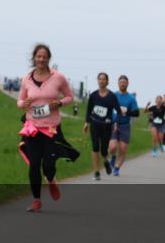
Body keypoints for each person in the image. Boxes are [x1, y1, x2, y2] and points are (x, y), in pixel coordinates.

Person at [17, 44, 75, 212]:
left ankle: (50, 179)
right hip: (32, 128)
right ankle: (36, 200)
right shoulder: (26, 79)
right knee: (34, 164)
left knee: (48, 165)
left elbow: (70, 97)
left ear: (49, 58)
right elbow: (19, 101)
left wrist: (60, 102)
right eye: (38, 56)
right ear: (34, 58)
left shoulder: (58, 78)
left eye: (44, 57)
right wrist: (24, 103)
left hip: (51, 128)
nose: (41, 59)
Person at [83, 71, 119, 180]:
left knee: (104, 150)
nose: (101, 81)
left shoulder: (112, 96)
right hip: (95, 124)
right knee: (95, 147)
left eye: (104, 79)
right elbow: (89, 110)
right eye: (100, 79)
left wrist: (116, 122)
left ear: (107, 82)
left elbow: (117, 110)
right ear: (97, 81)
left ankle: (106, 161)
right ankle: (96, 172)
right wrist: (86, 123)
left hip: (107, 126)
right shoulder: (93, 95)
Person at [109, 75, 139, 176]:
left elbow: (137, 113)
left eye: (124, 82)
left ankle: (117, 168)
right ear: (118, 83)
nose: (122, 84)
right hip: (113, 124)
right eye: (120, 82)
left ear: (127, 83)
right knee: (112, 147)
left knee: (123, 148)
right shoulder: (113, 95)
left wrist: (127, 111)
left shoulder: (131, 98)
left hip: (125, 125)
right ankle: (113, 157)